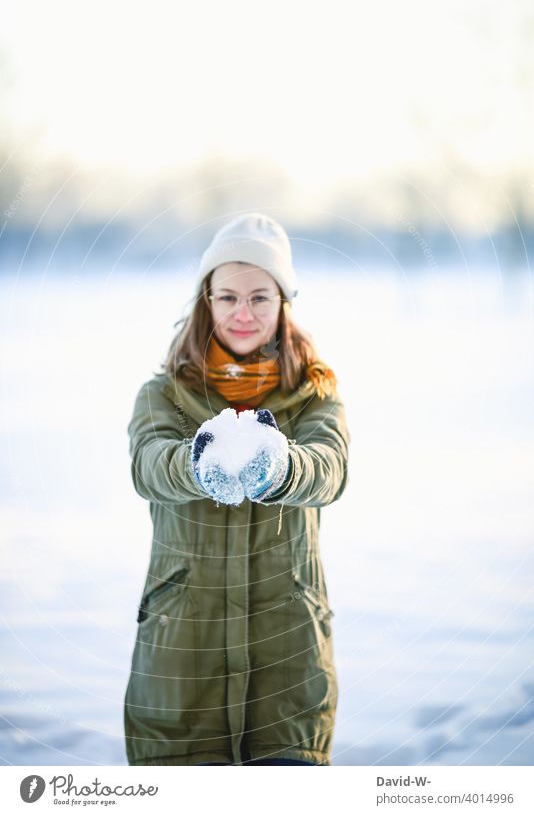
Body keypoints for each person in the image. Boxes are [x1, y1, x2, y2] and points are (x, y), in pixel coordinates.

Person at [123, 213, 351, 766]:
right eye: (227, 297)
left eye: (259, 298)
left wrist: (284, 471)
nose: (242, 314)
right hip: (182, 662)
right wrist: (197, 466)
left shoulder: (314, 393)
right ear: (207, 301)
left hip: (288, 662)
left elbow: (331, 466)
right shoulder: (164, 394)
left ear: (283, 304)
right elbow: (149, 464)